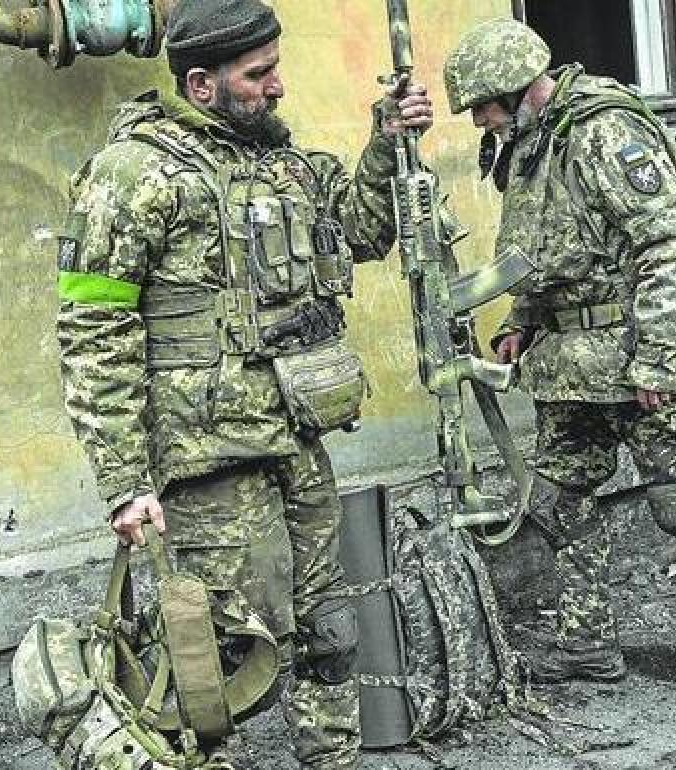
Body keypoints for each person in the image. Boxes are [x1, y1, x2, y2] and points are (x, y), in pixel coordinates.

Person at [55, 1, 434, 767]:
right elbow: (93, 333)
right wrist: (126, 482)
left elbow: (362, 230)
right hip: (207, 461)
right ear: (202, 84)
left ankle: (330, 755)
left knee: (329, 623)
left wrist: (388, 143)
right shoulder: (132, 176)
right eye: (259, 76)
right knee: (226, 646)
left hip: (293, 436)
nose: (277, 89)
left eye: (276, 69)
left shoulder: (280, 163)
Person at [442, 18, 676, 697]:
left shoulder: (604, 132)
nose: (478, 120)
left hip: (636, 358)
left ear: (516, 89)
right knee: (563, 500)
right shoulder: (530, 143)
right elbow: (541, 251)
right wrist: (522, 321)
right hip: (571, 362)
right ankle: (587, 645)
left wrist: (659, 360)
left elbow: (673, 245)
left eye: (483, 104)